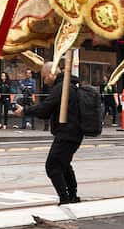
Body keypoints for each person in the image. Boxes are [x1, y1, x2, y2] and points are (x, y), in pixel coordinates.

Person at [11, 63, 84, 204]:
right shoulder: (68, 85)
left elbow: (45, 107)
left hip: (67, 133)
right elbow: (47, 112)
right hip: (74, 132)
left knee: (52, 166)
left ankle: (65, 198)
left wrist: (25, 111)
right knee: (63, 164)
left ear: (51, 74)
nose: (44, 81)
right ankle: (72, 196)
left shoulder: (61, 87)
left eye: (44, 77)